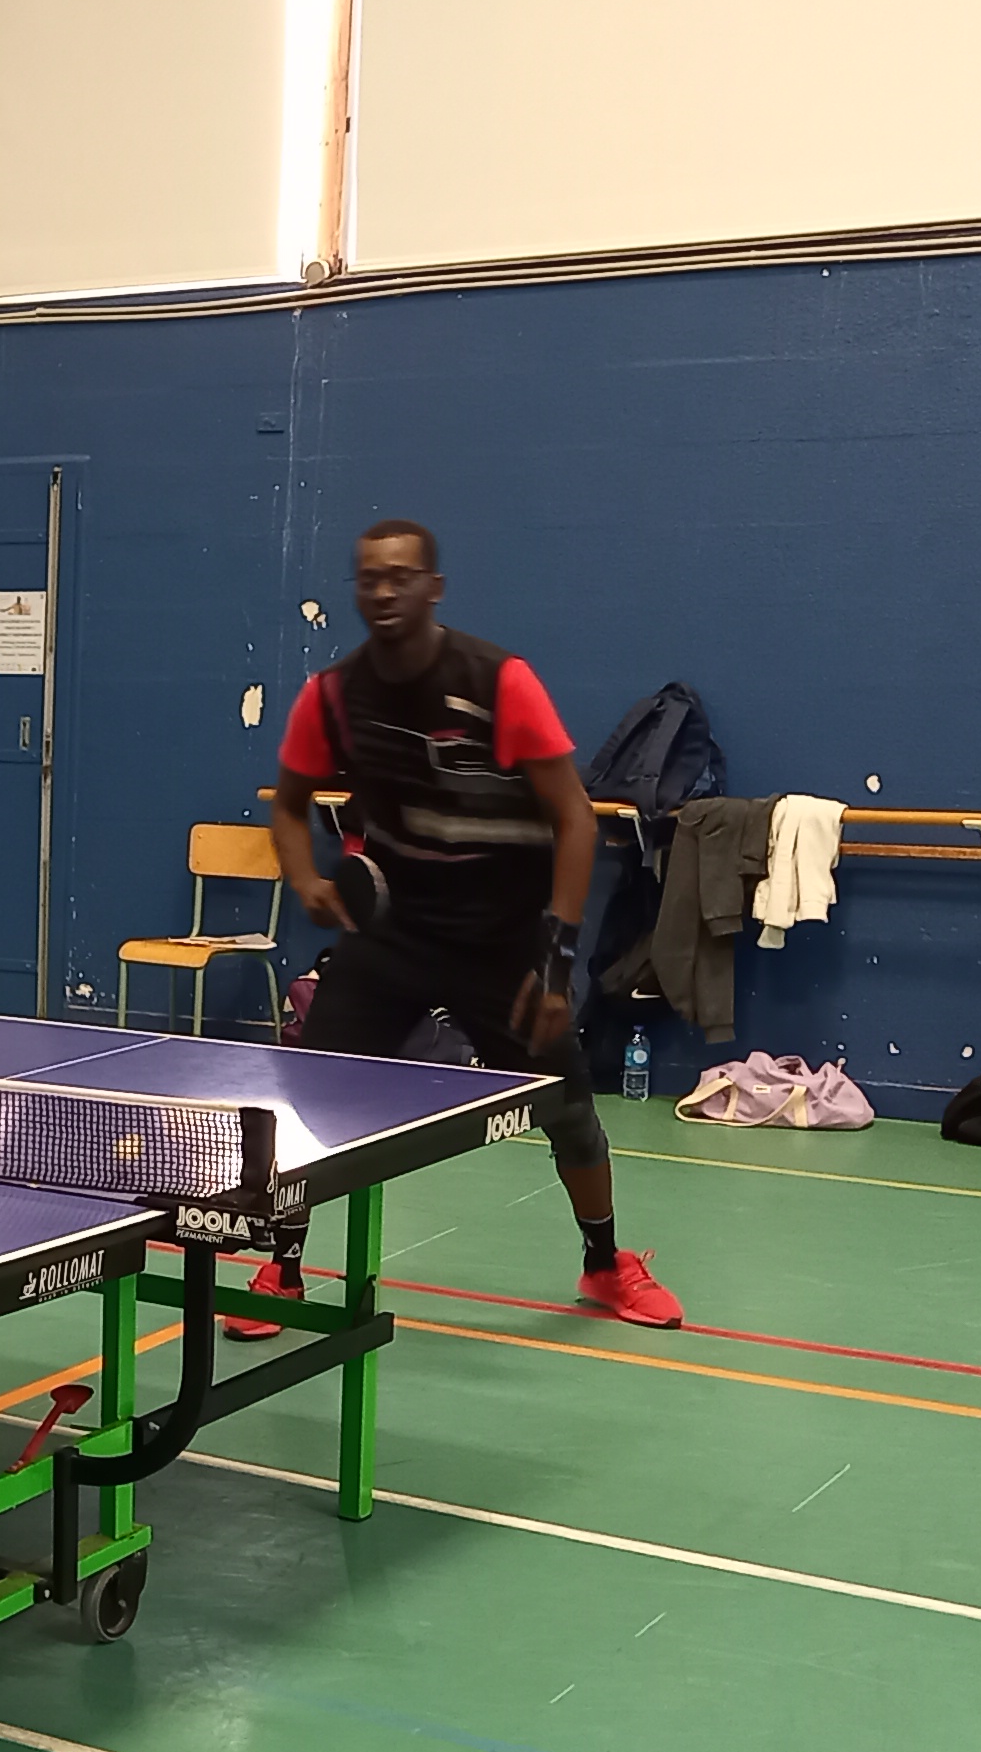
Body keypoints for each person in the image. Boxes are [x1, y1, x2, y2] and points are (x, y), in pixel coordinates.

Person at [248, 518, 684, 1330]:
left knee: (568, 1107)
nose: (384, 591)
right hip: (391, 938)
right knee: (311, 1098)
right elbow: (289, 802)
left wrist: (555, 964)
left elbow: (574, 819)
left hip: (500, 942)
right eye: (369, 578)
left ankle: (604, 1264)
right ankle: (283, 1267)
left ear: (434, 588)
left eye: (402, 576)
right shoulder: (333, 696)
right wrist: (304, 878)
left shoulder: (498, 683)